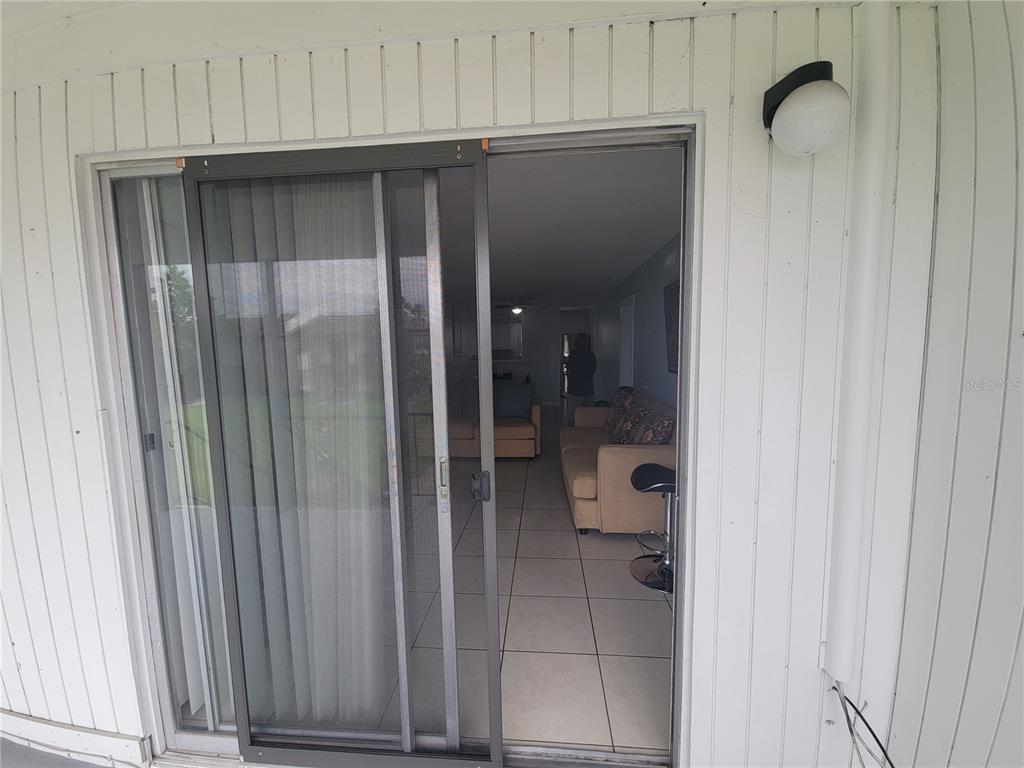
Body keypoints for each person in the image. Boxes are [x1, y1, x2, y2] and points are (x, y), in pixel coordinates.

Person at [565, 333, 597, 424]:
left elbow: (569, 372)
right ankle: (586, 433)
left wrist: (569, 385)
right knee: (588, 416)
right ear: (586, 343)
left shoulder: (573, 354)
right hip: (588, 389)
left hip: (575, 389)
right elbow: (593, 371)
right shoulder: (591, 355)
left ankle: (572, 434)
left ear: (576, 342)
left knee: (572, 417)